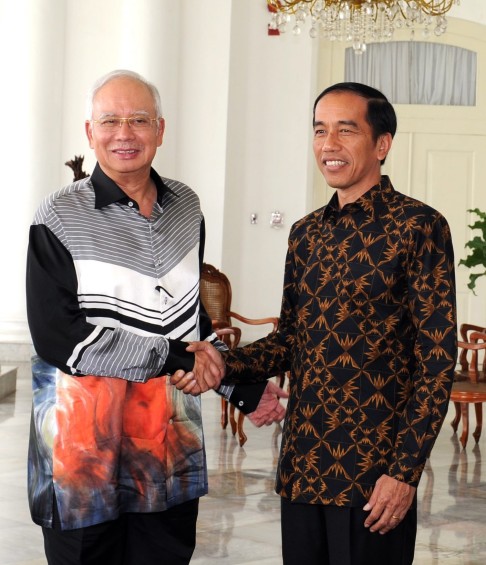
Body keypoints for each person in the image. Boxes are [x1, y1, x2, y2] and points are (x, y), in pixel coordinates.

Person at [172, 82, 457, 565]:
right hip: (305, 465)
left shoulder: (419, 226)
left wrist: (404, 472)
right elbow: (289, 341)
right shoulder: (306, 234)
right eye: (320, 131)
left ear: (382, 144)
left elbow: (436, 360)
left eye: (346, 131)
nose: (329, 145)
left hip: (374, 473)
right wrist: (223, 361)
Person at [25, 69, 287, 565]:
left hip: (168, 439)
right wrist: (171, 356)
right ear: (89, 132)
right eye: (110, 121)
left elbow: (189, 318)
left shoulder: (187, 207)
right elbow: (59, 338)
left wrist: (240, 384)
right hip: (83, 449)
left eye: (139, 120)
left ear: (161, 130)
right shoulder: (57, 215)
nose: (125, 134)